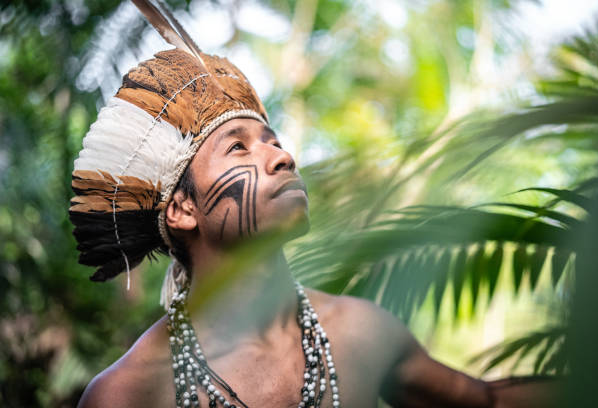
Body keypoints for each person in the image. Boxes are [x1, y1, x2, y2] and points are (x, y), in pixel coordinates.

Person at [71, 2, 558, 407]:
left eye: (273, 140)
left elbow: (488, 403)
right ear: (181, 209)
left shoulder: (361, 333)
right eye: (238, 148)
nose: (282, 156)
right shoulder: (128, 394)